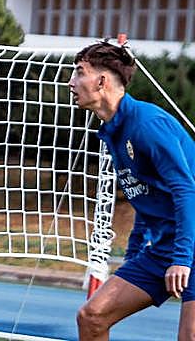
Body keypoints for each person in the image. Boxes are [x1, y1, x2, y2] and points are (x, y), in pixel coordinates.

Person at [69, 39, 195, 341]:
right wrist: (135, 254)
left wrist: (181, 259)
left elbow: (185, 190)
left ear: (101, 81)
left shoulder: (147, 124)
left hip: (187, 245)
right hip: (167, 246)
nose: (70, 82)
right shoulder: (115, 131)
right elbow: (146, 196)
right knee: (92, 317)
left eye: (78, 72)